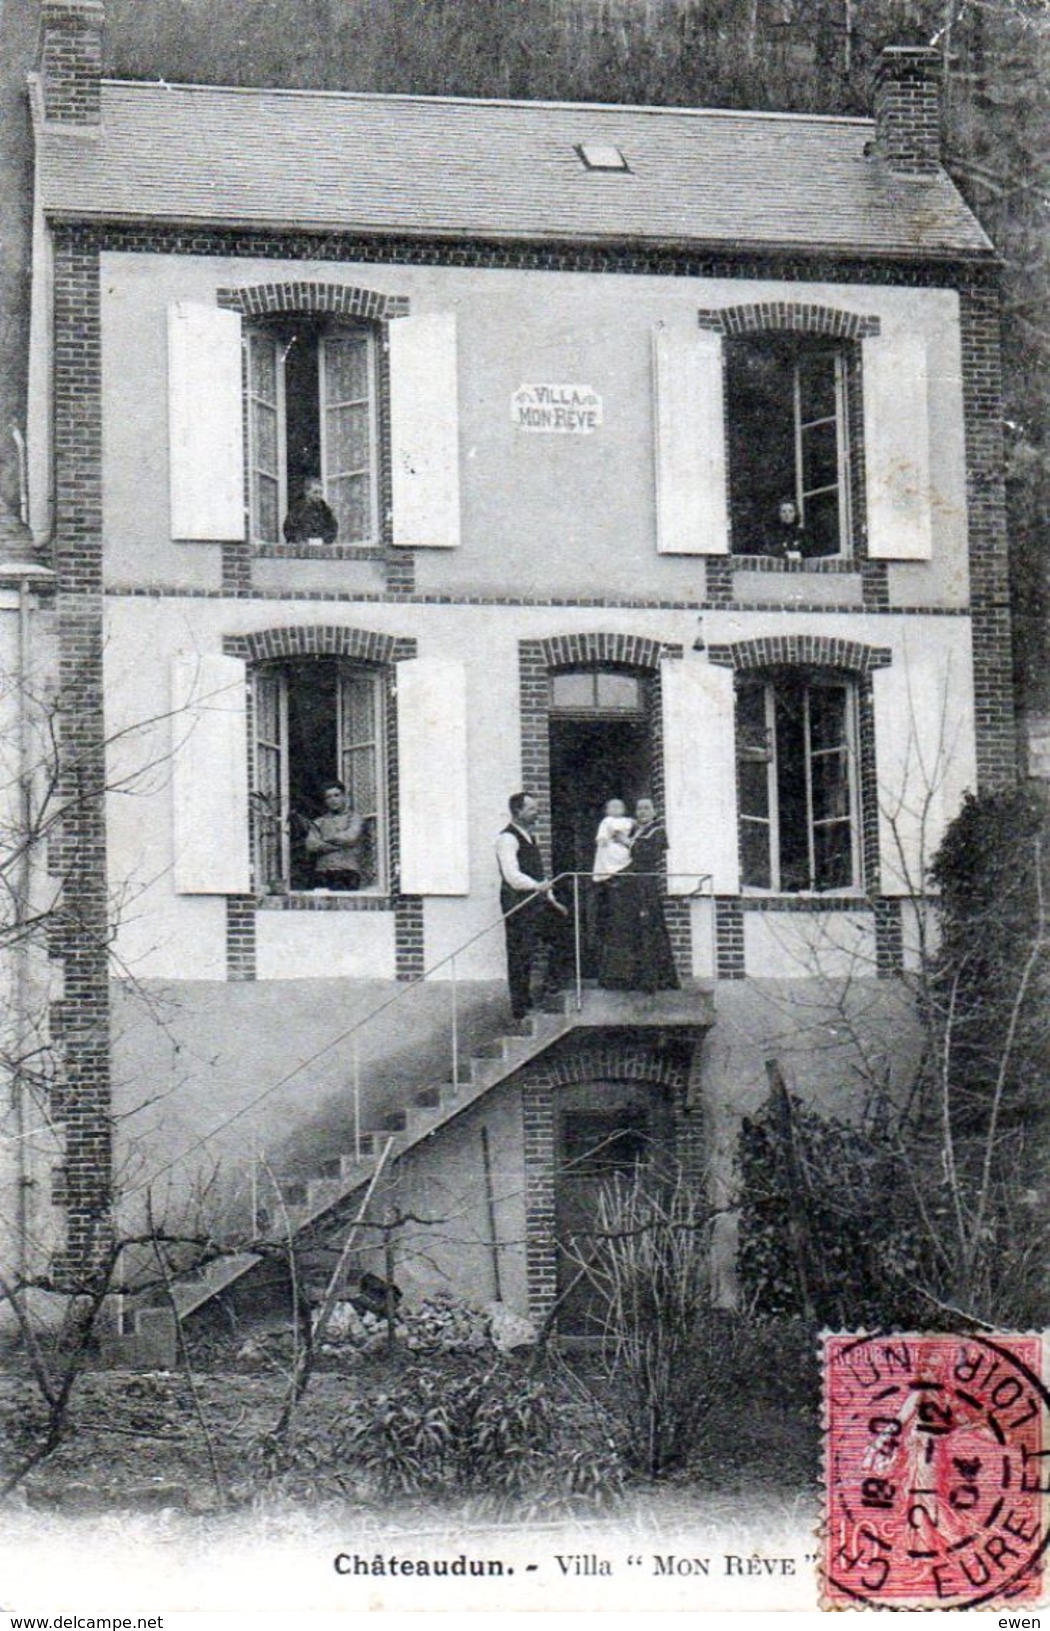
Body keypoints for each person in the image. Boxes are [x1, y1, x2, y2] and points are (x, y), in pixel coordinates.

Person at [496, 792, 567, 1023]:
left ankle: (551, 984)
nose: (537, 812)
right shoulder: (507, 838)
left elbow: (540, 874)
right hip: (518, 903)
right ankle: (520, 1007)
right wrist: (536, 886)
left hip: (536, 901)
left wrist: (553, 901)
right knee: (520, 954)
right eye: (532, 809)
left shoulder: (531, 837)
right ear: (518, 811)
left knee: (560, 933)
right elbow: (512, 876)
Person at [598, 797, 679, 993]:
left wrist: (626, 842)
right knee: (627, 930)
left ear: (654, 811)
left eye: (646, 808)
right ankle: (627, 978)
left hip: (646, 886)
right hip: (629, 886)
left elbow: (648, 854)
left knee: (649, 929)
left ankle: (653, 979)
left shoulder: (658, 830)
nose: (642, 812)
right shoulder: (634, 829)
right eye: (639, 808)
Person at [305, 781, 364, 889]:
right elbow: (311, 845)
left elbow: (350, 837)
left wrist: (325, 839)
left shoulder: (354, 818)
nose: (333, 800)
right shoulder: (319, 822)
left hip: (347, 871)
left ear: (344, 797)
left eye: (336, 795)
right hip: (322, 872)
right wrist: (338, 845)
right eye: (328, 797)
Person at [283, 475, 338, 545]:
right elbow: (289, 529)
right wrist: (300, 540)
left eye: (320, 493)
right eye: (315, 492)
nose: (318, 496)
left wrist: (323, 540)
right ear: (306, 492)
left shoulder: (326, 511)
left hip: (321, 548)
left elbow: (332, 529)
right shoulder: (297, 510)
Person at [591, 798, 636, 882]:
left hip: (622, 847)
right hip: (609, 846)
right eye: (613, 807)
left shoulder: (627, 821)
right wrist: (602, 840)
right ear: (607, 810)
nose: (616, 809)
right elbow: (602, 835)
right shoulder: (607, 821)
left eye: (619, 807)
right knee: (607, 862)